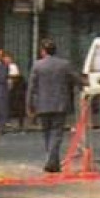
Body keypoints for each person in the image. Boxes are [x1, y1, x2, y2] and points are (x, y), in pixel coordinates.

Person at [25, 39, 76, 173]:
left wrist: (29, 105)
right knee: (56, 134)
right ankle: (52, 161)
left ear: (43, 51)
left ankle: (52, 161)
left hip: (43, 104)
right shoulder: (64, 64)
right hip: (60, 104)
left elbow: (31, 87)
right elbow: (75, 79)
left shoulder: (37, 66)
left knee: (47, 133)